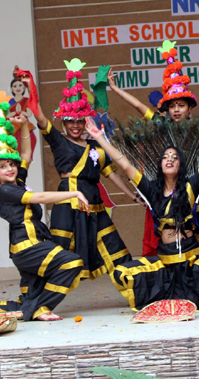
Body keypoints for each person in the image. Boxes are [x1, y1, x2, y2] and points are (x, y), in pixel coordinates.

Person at [85, 106, 199, 310]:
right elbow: (125, 164)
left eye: (175, 157)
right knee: (122, 273)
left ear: (181, 165)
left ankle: (193, 291)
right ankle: (164, 293)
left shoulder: (191, 186)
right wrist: (100, 139)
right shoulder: (151, 190)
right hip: (165, 262)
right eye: (165, 157)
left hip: (191, 259)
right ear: (160, 164)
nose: (169, 159)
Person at [0, 95, 84, 320]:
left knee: (26, 300)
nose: (10, 168)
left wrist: (22, 127)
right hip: (26, 246)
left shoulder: (16, 182)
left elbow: (27, 155)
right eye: (3, 166)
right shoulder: (6, 191)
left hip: (31, 243)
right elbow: (39, 197)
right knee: (72, 262)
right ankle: (42, 308)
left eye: (11, 164)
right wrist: (74, 193)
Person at [34, 58, 135, 281]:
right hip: (68, 201)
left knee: (112, 243)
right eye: (70, 121)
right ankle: (41, 296)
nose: (75, 126)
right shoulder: (59, 141)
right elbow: (41, 120)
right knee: (61, 249)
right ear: (63, 123)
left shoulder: (96, 146)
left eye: (80, 121)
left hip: (94, 201)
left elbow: (112, 174)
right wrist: (32, 95)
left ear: (86, 121)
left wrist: (132, 195)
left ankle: (136, 285)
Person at [8, 66, 36, 161]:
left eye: (20, 86)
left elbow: (28, 113)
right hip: (13, 128)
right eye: (15, 86)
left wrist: (20, 112)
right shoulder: (9, 102)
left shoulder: (26, 100)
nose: (18, 88)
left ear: (24, 88)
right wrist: (14, 113)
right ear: (11, 89)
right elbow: (6, 115)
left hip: (24, 126)